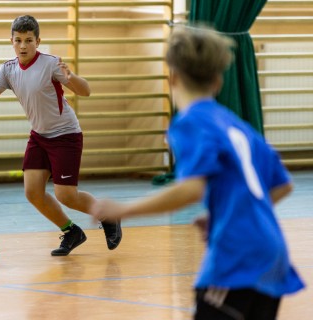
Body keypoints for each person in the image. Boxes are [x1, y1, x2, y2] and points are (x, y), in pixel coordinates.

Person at [92, 25, 305, 320]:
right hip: (272, 254)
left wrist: (124, 209)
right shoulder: (235, 123)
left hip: (238, 255)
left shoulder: (190, 121)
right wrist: (226, 212)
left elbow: (192, 189)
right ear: (217, 81)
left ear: (173, 76)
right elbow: (283, 186)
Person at [0, 15, 122, 256]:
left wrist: (71, 78)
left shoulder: (50, 64)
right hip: (40, 136)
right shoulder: (8, 69)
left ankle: (108, 216)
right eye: (18, 40)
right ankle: (71, 232)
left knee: (65, 195)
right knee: (32, 191)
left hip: (66, 135)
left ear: (38, 41)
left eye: (29, 40)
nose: (23, 46)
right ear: (12, 41)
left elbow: (86, 91)